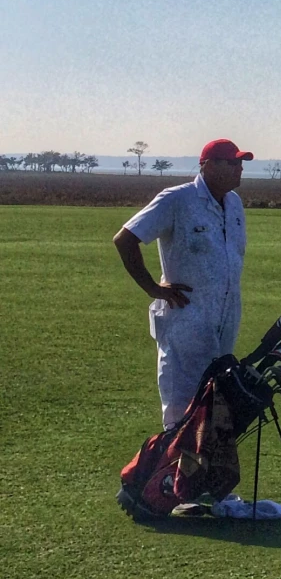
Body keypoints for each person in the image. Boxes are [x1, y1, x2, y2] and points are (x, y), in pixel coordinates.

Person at [114, 138, 252, 429]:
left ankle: (204, 474)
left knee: (214, 413)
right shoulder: (176, 199)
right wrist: (152, 288)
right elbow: (126, 239)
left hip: (225, 322)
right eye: (232, 163)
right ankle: (170, 473)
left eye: (241, 163)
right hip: (185, 323)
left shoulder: (235, 204)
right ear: (208, 165)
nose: (239, 169)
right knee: (181, 414)